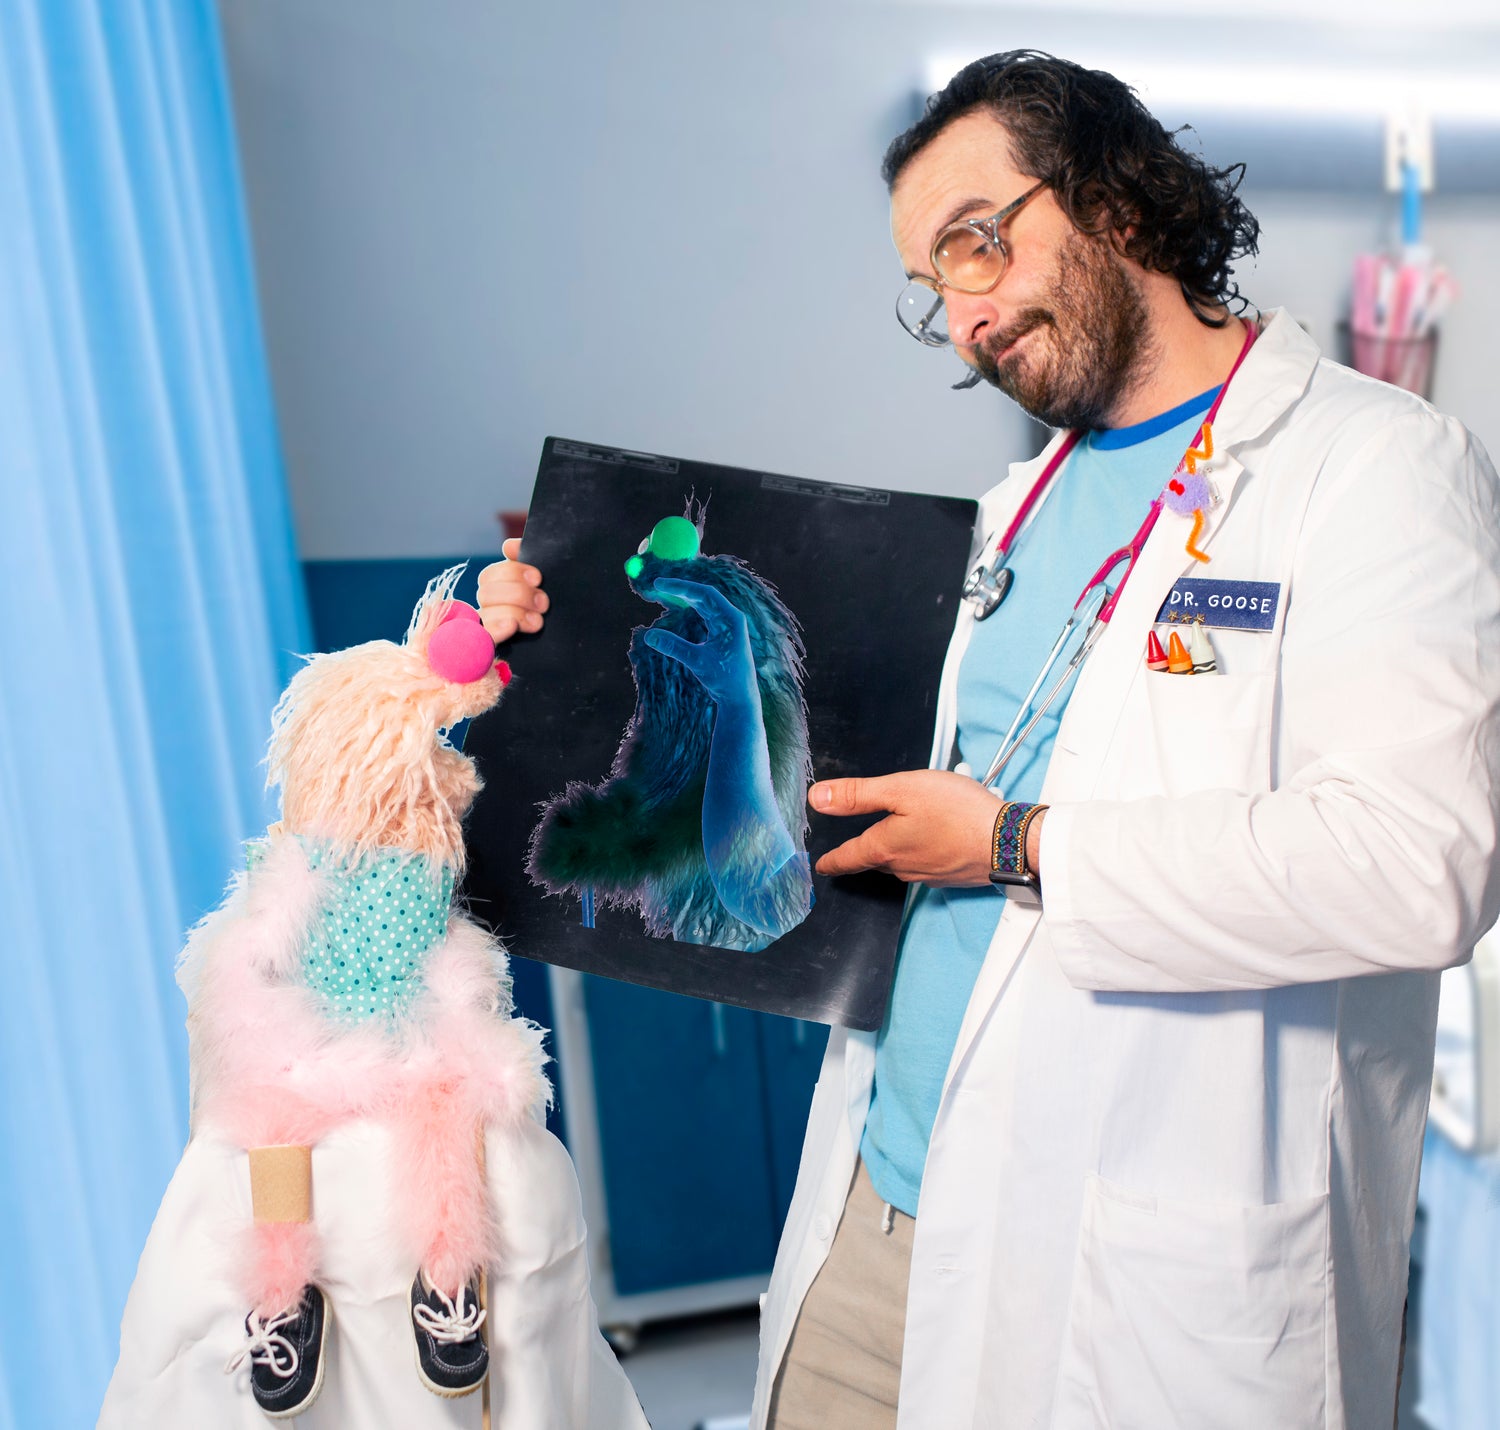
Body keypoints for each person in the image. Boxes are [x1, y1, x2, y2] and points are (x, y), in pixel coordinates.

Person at [479, 50, 1500, 1430]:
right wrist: (560, 628)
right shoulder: (1009, 510)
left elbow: (1419, 864)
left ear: (1118, 199)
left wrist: (1018, 846)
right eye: (932, 286)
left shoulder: (1378, 468)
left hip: (1132, 1265)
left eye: (977, 243)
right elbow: (809, 760)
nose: (965, 319)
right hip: (883, 1198)